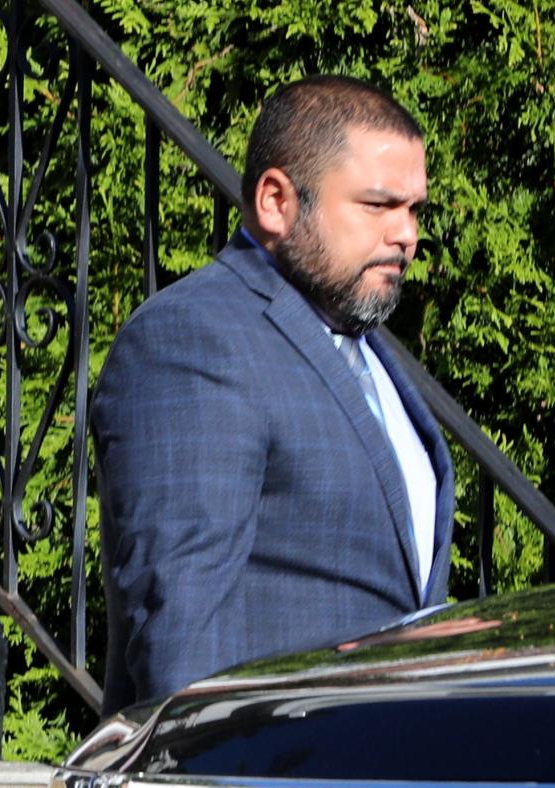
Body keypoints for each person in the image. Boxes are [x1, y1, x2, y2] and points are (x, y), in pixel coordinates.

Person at [91, 75, 455, 714]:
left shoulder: (362, 351)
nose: (406, 235)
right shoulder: (195, 339)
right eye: (378, 205)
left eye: (414, 209)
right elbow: (182, 630)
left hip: (379, 786)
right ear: (276, 201)